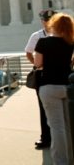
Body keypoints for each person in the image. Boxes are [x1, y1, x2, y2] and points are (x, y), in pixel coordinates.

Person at [34, 13, 74, 165]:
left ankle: (60, 162)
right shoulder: (70, 43)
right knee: (68, 125)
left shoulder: (43, 42)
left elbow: (37, 63)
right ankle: (70, 158)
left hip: (49, 86)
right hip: (67, 86)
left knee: (56, 127)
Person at [25, 9, 56, 149]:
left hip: (58, 74)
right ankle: (46, 137)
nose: (47, 22)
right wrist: (37, 66)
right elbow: (28, 52)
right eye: (46, 20)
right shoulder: (37, 36)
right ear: (42, 21)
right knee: (43, 108)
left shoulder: (61, 35)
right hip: (42, 75)